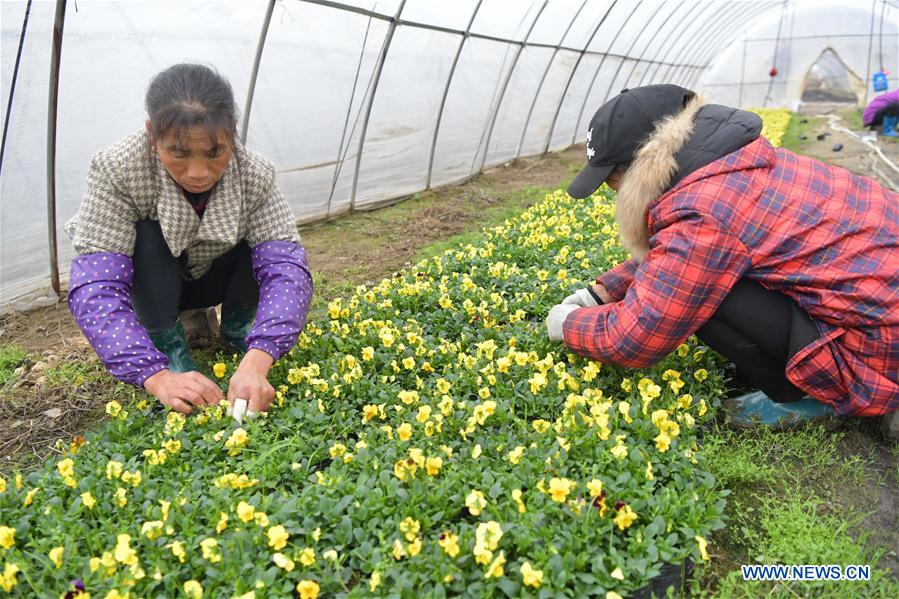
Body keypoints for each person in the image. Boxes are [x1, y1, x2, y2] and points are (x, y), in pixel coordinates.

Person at [546, 84, 898, 437]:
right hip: (882, 315)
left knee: (702, 295)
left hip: (880, 352)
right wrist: (605, 291)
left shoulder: (702, 209)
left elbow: (635, 337)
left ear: (643, 164)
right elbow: (688, 249)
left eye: (612, 180)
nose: (614, 192)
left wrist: (569, 325)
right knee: (703, 276)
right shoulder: (732, 163)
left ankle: (803, 396)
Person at [65, 63, 313, 415]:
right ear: (153, 135)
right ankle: (167, 344)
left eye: (215, 153)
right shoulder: (117, 169)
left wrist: (262, 356)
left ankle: (242, 328)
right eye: (178, 154)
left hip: (218, 275)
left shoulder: (254, 174)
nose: (198, 173)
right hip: (156, 284)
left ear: (232, 133)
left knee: (262, 243)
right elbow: (97, 287)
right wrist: (156, 376)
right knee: (146, 235)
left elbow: (286, 268)